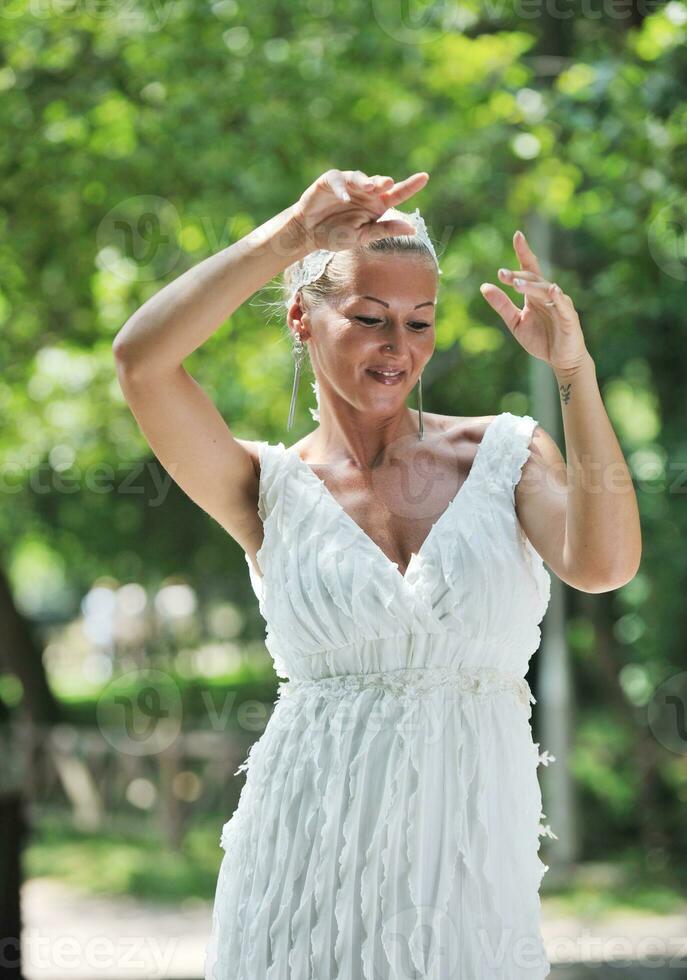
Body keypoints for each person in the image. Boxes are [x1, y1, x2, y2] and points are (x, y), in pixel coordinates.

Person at [113, 169, 641, 978]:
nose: (399, 348)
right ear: (302, 317)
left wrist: (574, 370)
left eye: (419, 322)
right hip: (296, 871)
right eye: (368, 318)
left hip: (469, 880)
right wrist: (291, 233)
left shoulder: (502, 453)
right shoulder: (262, 487)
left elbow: (602, 565)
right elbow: (142, 363)